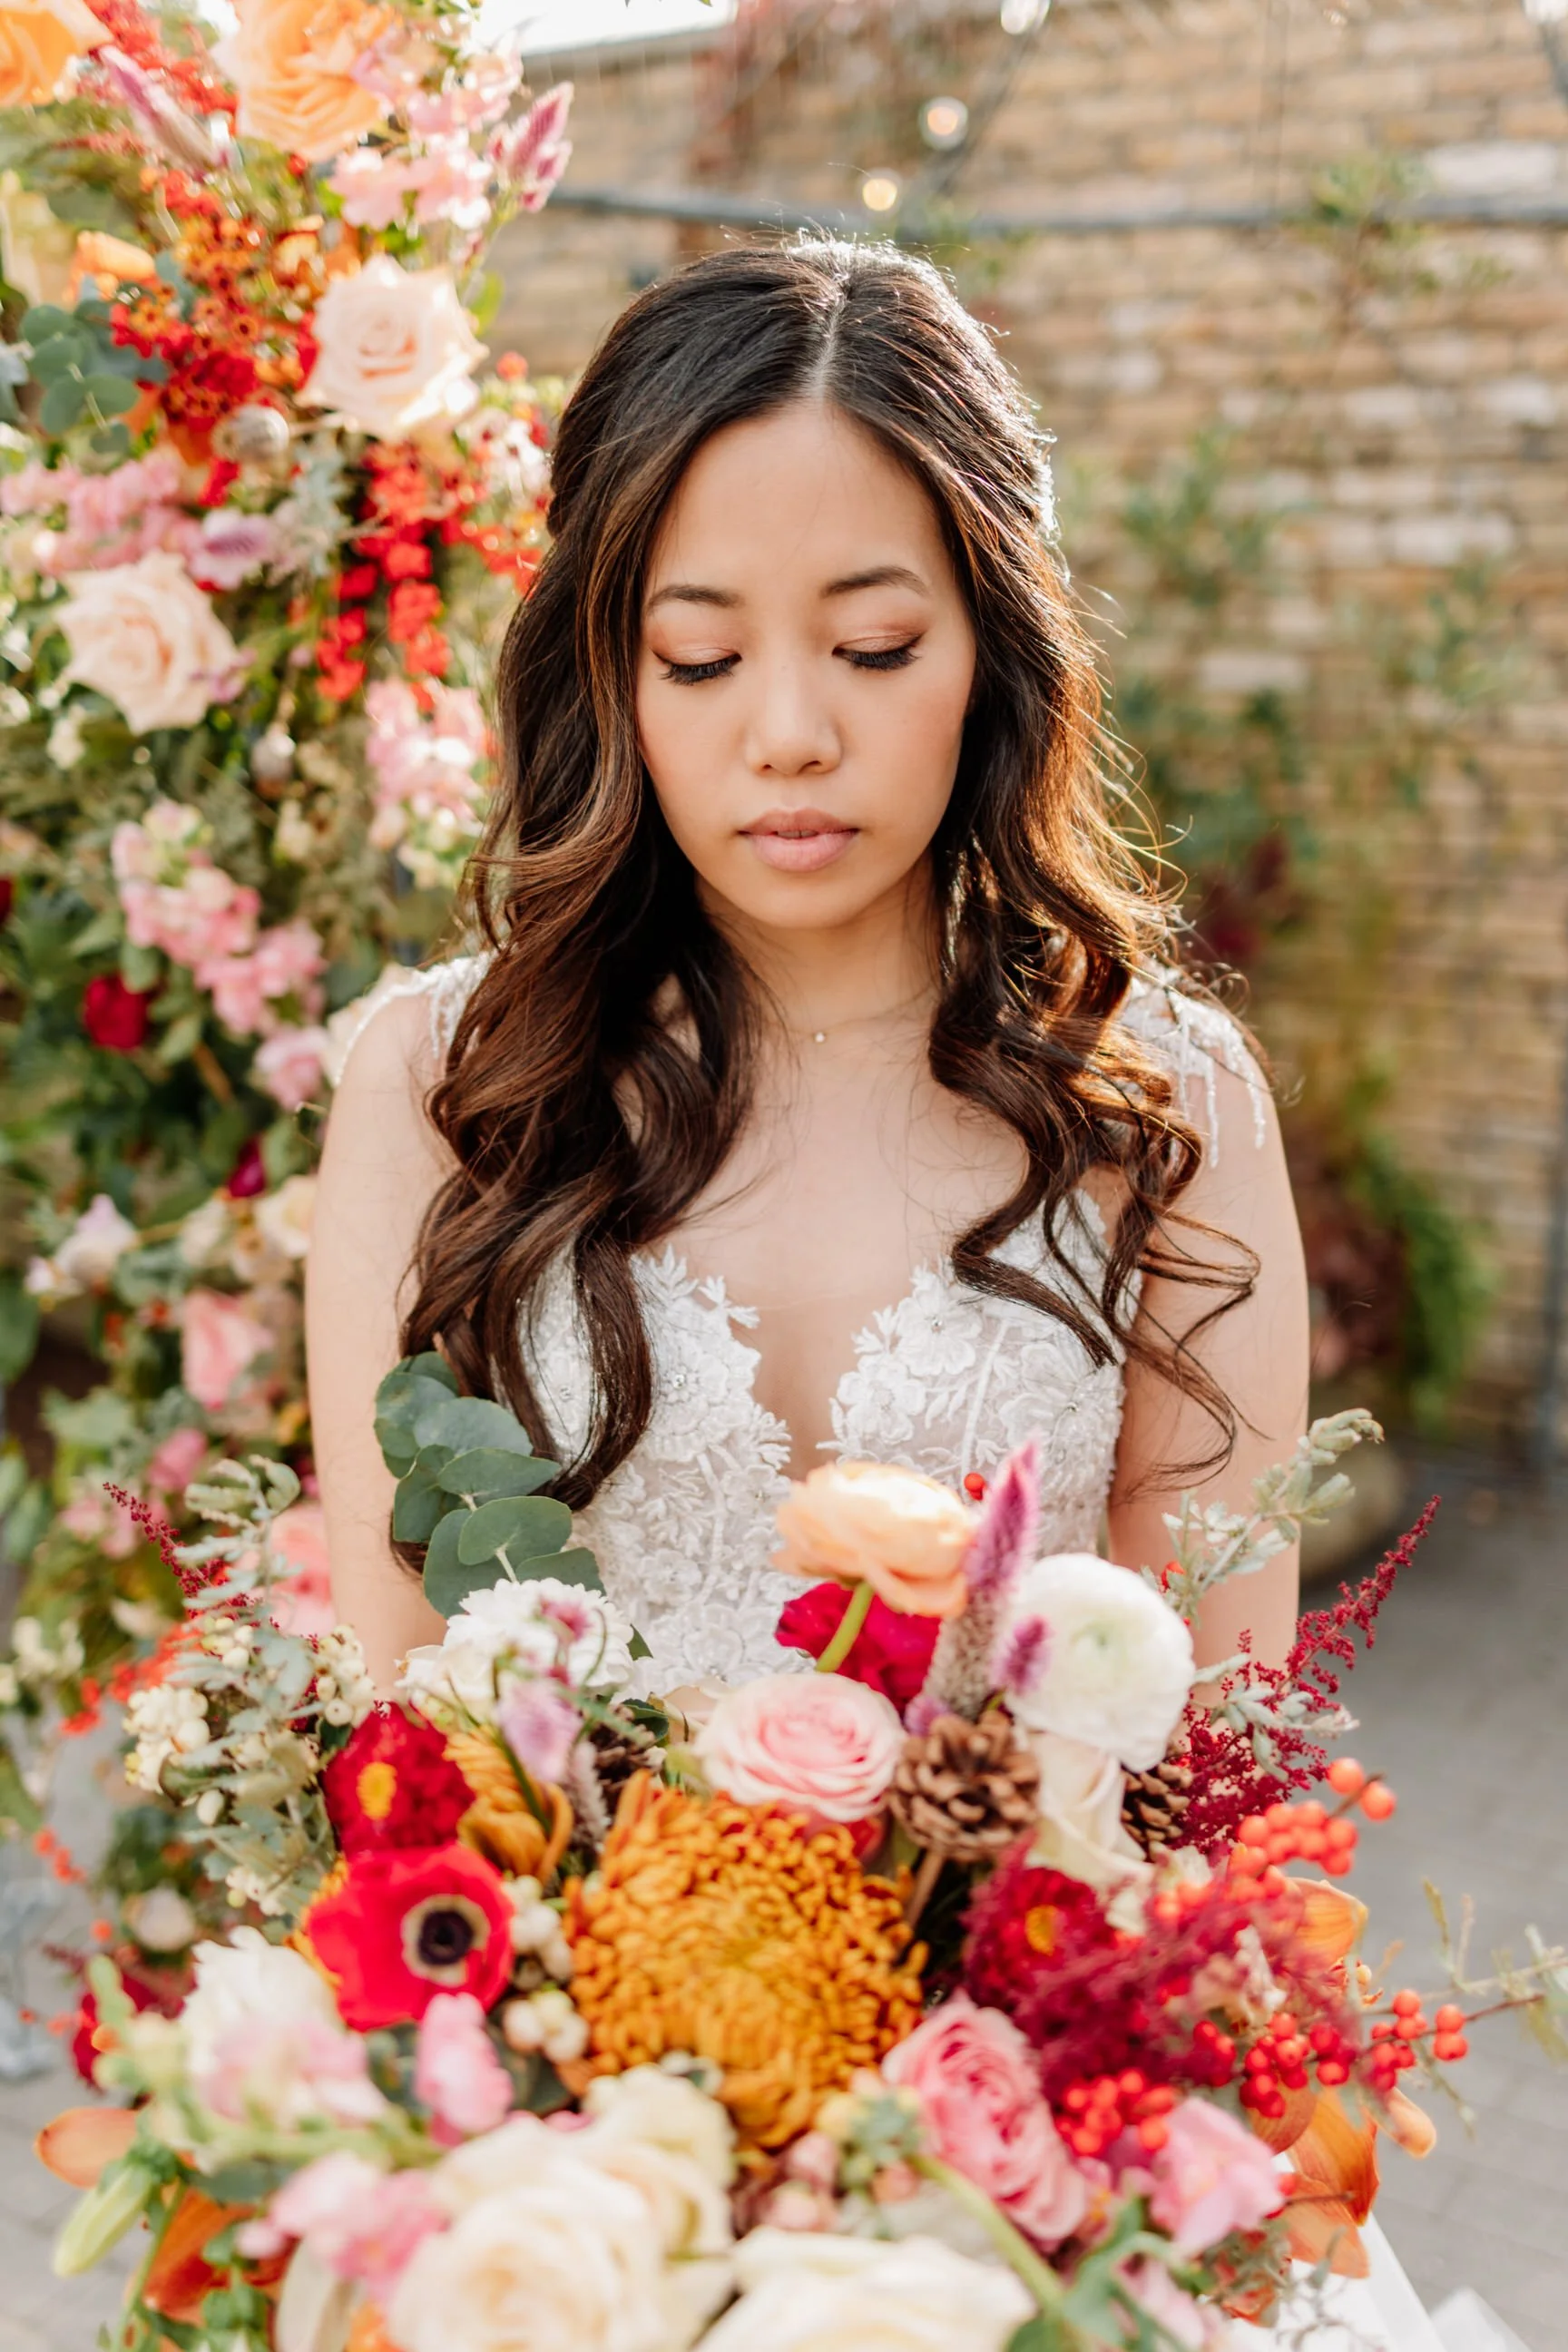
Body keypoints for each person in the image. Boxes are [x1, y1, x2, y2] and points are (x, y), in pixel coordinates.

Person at [309, 239, 1440, 2352]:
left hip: (1035, 2180)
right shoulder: (437, 1089)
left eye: (875, 639)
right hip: (572, 2174)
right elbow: (407, 1735)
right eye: (702, 654)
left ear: (989, 643)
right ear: (607, 671)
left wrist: (994, 2152)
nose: (794, 733)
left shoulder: (1163, 1112)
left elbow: (1217, 1746)